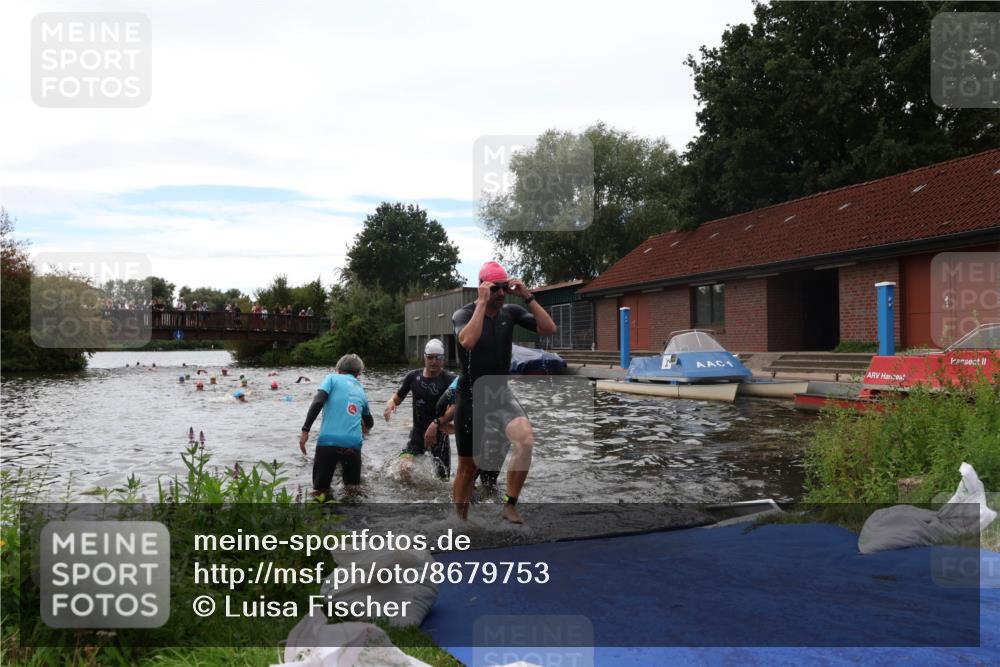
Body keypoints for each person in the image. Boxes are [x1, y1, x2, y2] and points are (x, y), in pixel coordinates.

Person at [451, 261, 557, 523]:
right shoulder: (463, 315)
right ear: (484, 288)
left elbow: (549, 329)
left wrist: (527, 296)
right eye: (495, 289)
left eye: (504, 288)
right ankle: (459, 521)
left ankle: (510, 504)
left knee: (526, 440)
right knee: (468, 466)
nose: (501, 294)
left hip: (500, 395)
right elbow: (468, 340)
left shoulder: (510, 312)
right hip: (471, 398)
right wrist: (481, 304)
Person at [299, 354, 374, 499]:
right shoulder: (361, 390)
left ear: (338, 369)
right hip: (353, 445)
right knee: (352, 491)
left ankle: (323, 518)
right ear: (358, 374)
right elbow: (369, 422)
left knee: (320, 491)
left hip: (328, 443)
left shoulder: (332, 378)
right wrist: (363, 427)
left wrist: (305, 430)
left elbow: (318, 401)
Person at [384, 339, 455, 480]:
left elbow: (455, 406)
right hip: (417, 435)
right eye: (430, 357)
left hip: (439, 437)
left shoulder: (450, 380)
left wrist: (439, 422)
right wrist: (390, 403)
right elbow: (398, 397)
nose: (434, 361)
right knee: (403, 470)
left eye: (438, 357)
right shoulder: (413, 377)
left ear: (443, 359)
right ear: (424, 357)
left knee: (443, 480)